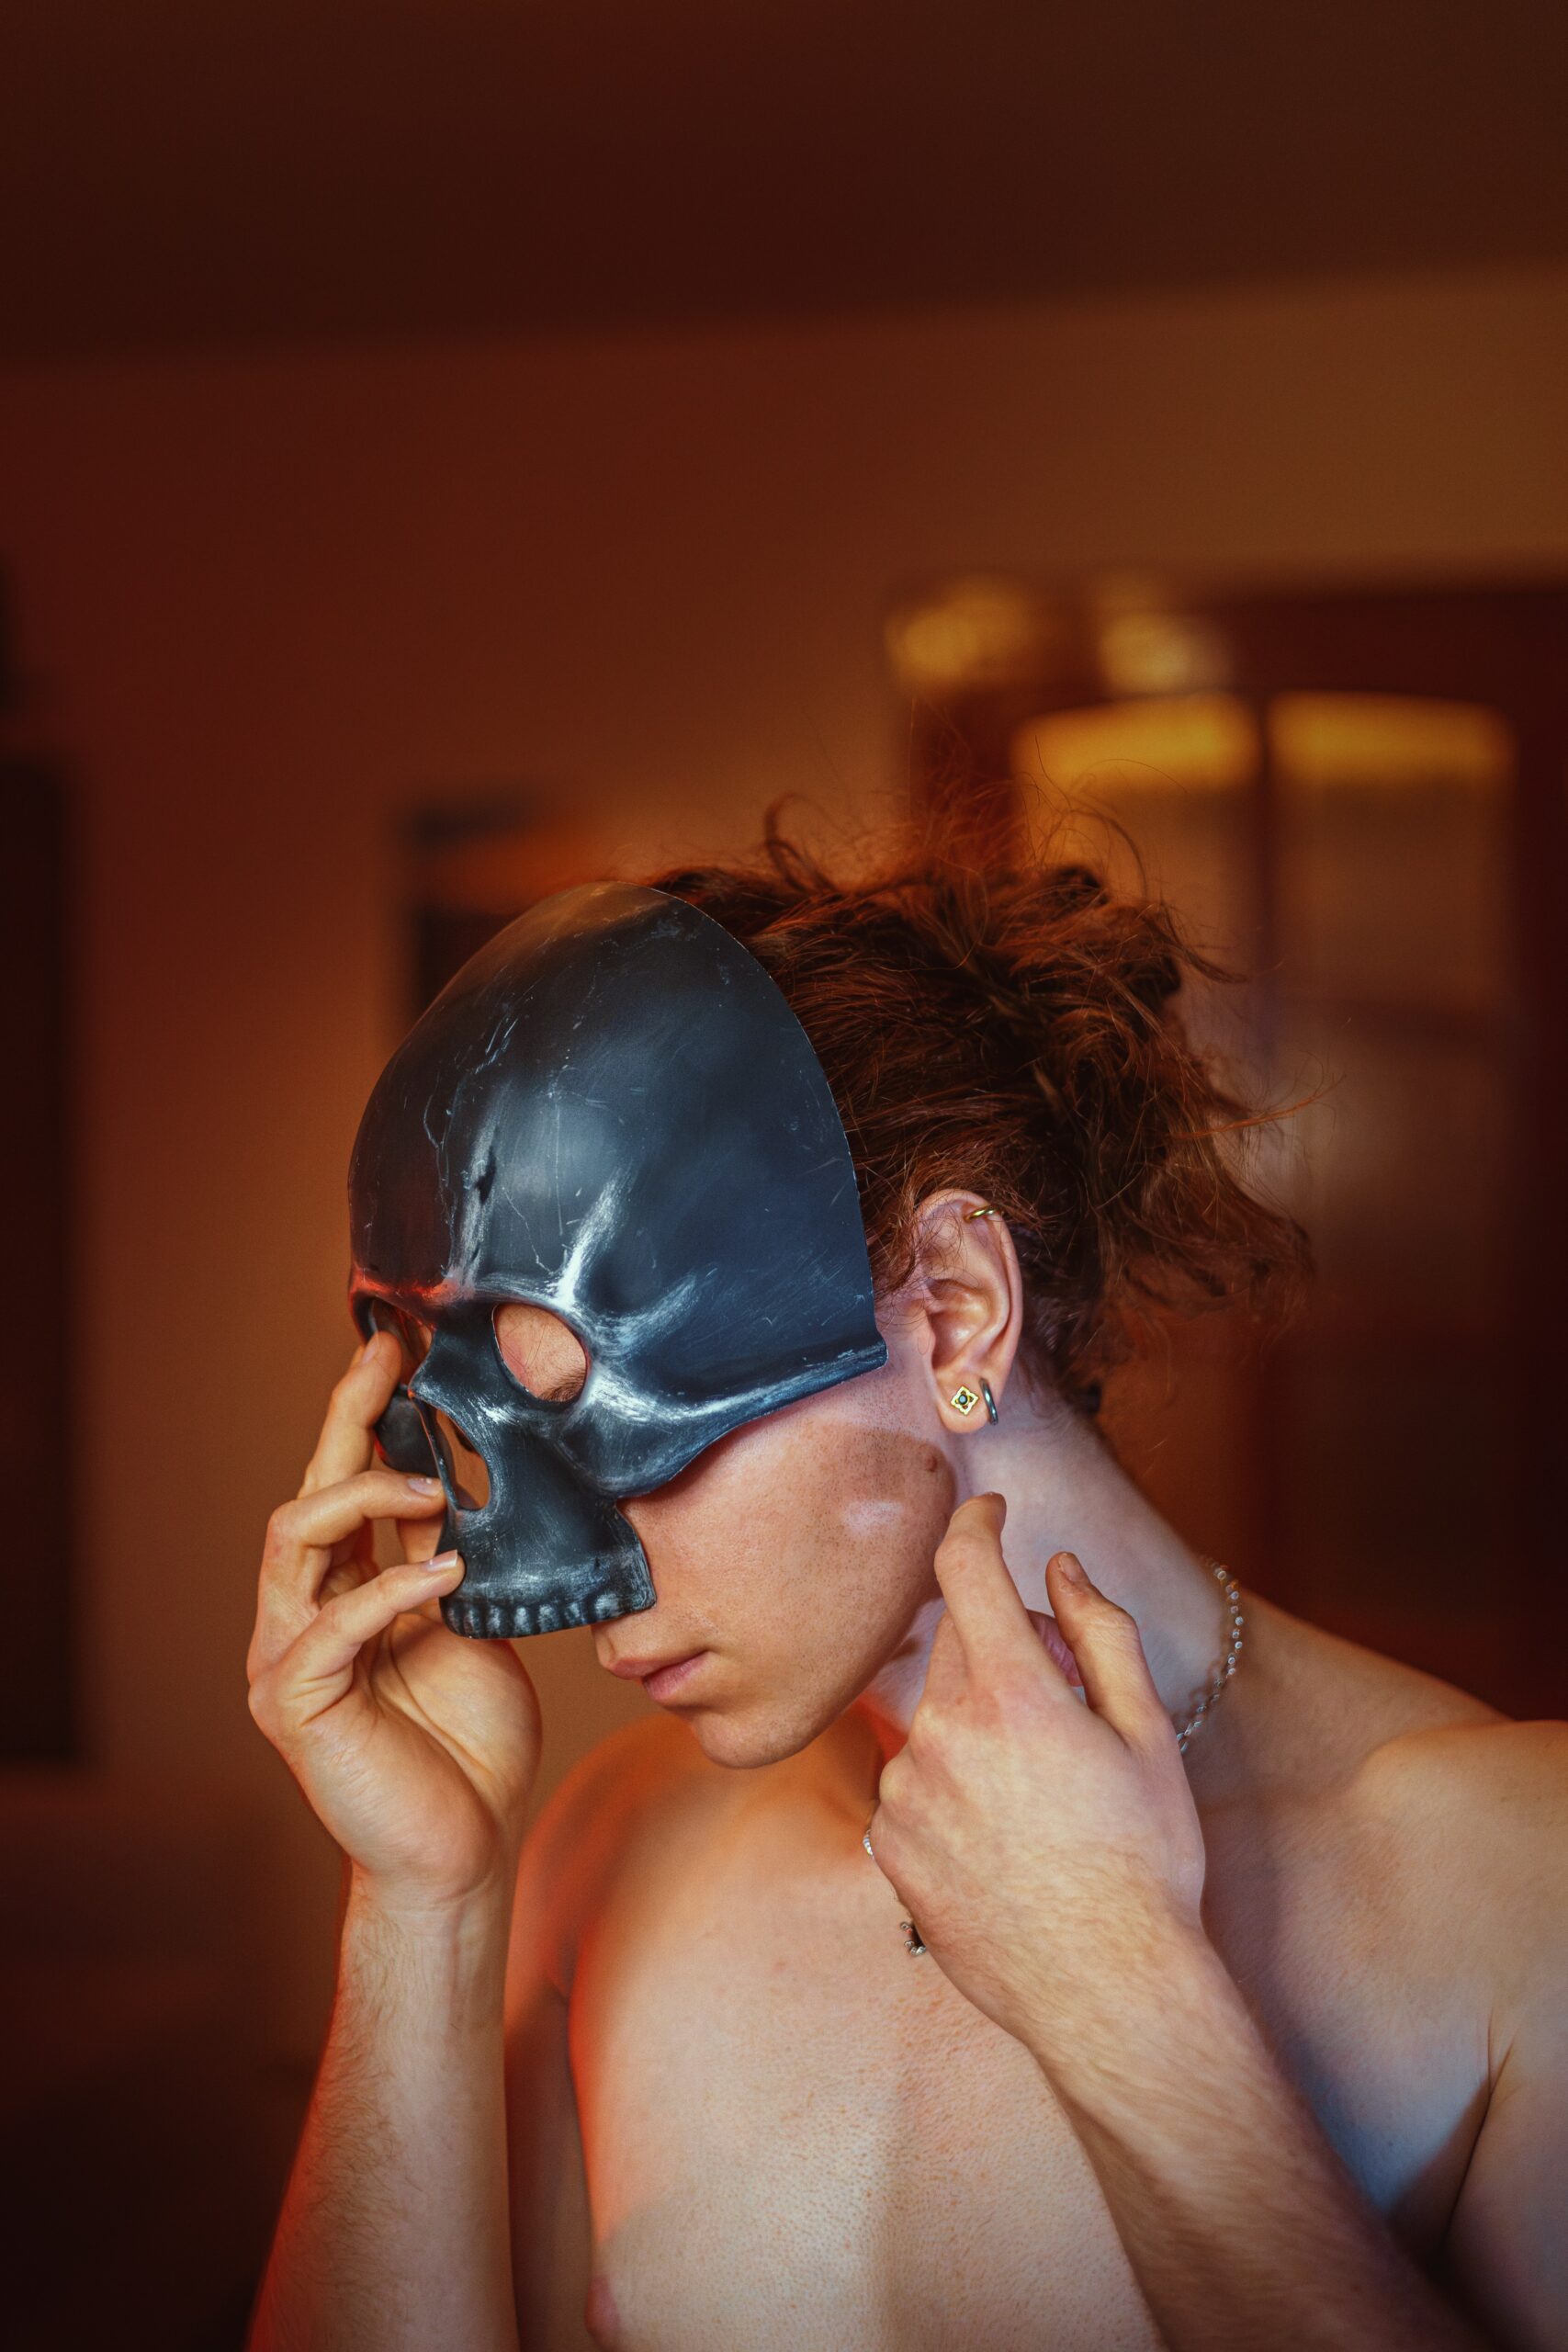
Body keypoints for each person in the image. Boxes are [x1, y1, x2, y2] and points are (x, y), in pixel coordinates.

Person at [243, 828, 1566, 2352]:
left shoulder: (1519, 1882)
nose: (579, 1581)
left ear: (954, 1309)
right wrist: (423, 1906)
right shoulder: (612, 1845)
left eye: (605, 1427)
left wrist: (1123, 2000)